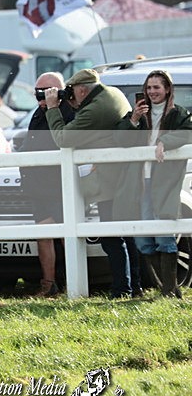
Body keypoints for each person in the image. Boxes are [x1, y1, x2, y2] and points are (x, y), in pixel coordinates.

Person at [44, 69, 132, 298]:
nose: (70, 95)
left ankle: (122, 289)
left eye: (72, 91)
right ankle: (133, 286)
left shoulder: (94, 109)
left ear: (82, 90)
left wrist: (53, 108)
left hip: (108, 180)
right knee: (124, 234)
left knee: (111, 238)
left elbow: (63, 138)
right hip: (120, 178)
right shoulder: (112, 93)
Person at [114, 70, 192, 298]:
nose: (152, 92)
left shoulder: (178, 114)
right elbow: (119, 139)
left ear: (167, 89)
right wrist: (134, 119)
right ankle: (168, 288)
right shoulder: (138, 115)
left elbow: (188, 133)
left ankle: (168, 290)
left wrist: (165, 141)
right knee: (142, 238)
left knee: (164, 233)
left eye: (156, 87)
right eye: (148, 88)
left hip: (163, 182)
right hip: (139, 182)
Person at [19, 72, 75, 297]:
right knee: (43, 234)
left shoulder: (68, 111)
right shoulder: (37, 113)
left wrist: (53, 107)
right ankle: (48, 285)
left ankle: (74, 283)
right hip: (38, 186)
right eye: (37, 92)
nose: (41, 97)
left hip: (59, 185)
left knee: (66, 235)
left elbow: (66, 140)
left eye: (46, 92)